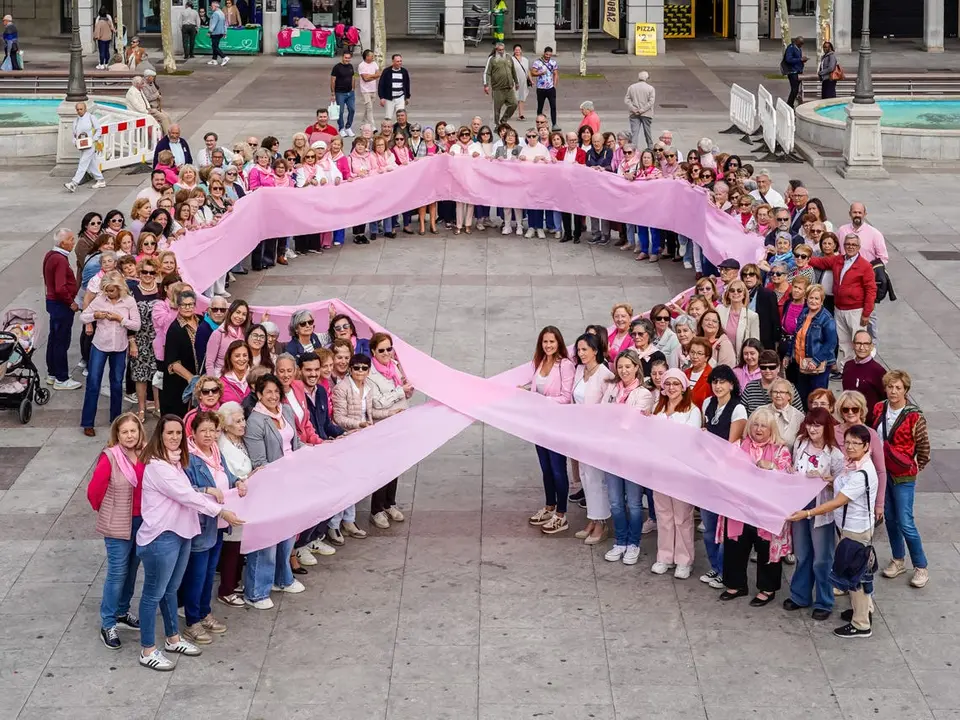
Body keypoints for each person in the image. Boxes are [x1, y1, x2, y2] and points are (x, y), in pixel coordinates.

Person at [136, 415, 242, 671]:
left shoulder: (175, 463)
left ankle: (173, 638)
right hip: (161, 538)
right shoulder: (158, 466)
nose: (174, 438)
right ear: (159, 436)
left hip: (182, 534)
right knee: (153, 594)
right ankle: (148, 649)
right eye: (169, 433)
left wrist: (209, 494)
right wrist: (221, 512)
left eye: (178, 433)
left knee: (171, 590)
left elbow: (191, 491)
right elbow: (185, 496)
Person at [787, 424, 879, 638]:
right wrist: (829, 480)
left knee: (855, 577)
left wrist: (807, 514)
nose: (850, 447)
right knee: (858, 573)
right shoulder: (853, 465)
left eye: (856, 443)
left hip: (855, 531)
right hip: (847, 528)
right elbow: (839, 486)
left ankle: (861, 624)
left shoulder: (862, 474)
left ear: (866, 446)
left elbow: (837, 502)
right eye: (847, 442)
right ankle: (863, 610)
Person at [179, 411, 244, 645]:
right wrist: (206, 491)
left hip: (217, 523)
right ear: (193, 433)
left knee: (208, 573)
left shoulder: (216, 451)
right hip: (200, 524)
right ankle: (192, 621)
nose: (209, 435)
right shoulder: (189, 458)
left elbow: (225, 474)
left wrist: (237, 481)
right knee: (197, 574)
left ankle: (204, 613)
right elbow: (185, 490)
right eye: (203, 430)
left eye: (213, 430)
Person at [243, 373, 306, 608]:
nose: (273, 396)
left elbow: (296, 443)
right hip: (269, 486)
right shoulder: (256, 422)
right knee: (266, 542)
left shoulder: (286, 412)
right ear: (259, 394)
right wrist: (284, 475)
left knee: (288, 535)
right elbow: (259, 462)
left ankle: (283, 578)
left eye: (276, 392)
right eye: (268, 392)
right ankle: (257, 591)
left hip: (292, 483)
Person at [718, 407, 792, 605]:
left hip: (765, 510)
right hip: (739, 508)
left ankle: (767, 588)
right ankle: (736, 584)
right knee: (736, 546)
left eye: (764, 426)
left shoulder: (780, 449)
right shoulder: (738, 445)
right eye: (756, 424)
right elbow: (723, 469)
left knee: (765, 548)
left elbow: (787, 479)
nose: (759, 429)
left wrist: (772, 467)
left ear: (771, 429)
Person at [87, 412, 147, 649]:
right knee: (117, 572)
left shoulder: (145, 453)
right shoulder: (110, 457)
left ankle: (122, 611)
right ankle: (108, 622)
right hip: (118, 524)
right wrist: (109, 510)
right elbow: (94, 492)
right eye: (125, 432)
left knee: (133, 568)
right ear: (117, 435)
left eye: (133, 430)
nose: (130, 435)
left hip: (142, 522)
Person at [782, 407, 844, 620]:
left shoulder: (835, 454)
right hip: (799, 505)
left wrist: (827, 480)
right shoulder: (800, 443)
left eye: (817, 425)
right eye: (809, 424)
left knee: (822, 558)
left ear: (825, 427)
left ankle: (824, 601)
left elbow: (841, 485)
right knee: (802, 553)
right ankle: (800, 595)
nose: (812, 429)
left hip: (821, 509)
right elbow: (792, 466)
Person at [873, 370, 931, 590]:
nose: (893, 391)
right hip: (882, 472)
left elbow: (924, 446)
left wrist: (915, 466)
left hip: (903, 474)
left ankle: (921, 566)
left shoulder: (914, 416)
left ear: (906, 390)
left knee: (905, 521)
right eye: (890, 387)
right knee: (889, 517)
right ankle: (898, 560)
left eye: (898, 388)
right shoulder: (879, 408)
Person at [601, 350, 655, 565]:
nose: (623, 370)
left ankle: (633, 543)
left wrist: (616, 418)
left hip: (632, 455)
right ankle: (620, 541)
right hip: (612, 453)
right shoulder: (612, 388)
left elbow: (630, 423)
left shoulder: (643, 394)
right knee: (615, 501)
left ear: (636, 368)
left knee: (633, 502)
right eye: (620, 366)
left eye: (628, 366)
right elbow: (603, 415)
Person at [651, 368, 701, 578]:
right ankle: (664, 556)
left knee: (682, 516)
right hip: (659, 470)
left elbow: (689, 440)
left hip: (681, 471)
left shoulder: (692, 411)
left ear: (683, 387)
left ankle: (684, 559)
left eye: (676, 384)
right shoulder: (658, 409)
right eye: (668, 384)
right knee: (663, 515)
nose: (671, 388)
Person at [700, 365, 747, 588]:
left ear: (731, 384)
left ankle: (724, 568)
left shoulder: (738, 408)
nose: (718, 386)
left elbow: (731, 444)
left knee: (723, 525)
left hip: (726, 473)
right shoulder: (707, 403)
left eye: (722, 381)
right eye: (714, 381)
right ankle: (715, 566)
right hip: (706, 472)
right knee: (708, 525)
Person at [526, 326, 574, 534]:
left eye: (552, 342)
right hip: (540, 424)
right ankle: (549, 506)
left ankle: (561, 514)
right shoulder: (540, 362)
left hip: (557, 425)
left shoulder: (564, 365)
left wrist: (541, 401)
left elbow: (566, 396)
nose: (548, 345)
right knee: (546, 468)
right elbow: (536, 387)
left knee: (557, 469)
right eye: (545, 342)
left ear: (559, 343)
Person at [80, 273, 141, 436]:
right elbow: (82, 315)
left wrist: (120, 319)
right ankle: (87, 422)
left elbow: (136, 325)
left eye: (112, 290)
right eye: (107, 290)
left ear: (119, 289)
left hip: (119, 346)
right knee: (93, 382)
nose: (109, 293)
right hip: (100, 344)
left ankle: (115, 419)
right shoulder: (100, 300)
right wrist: (95, 315)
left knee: (116, 383)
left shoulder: (129, 301)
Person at [808, 233, 877, 375]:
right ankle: (847, 371)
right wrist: (803, 258)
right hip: (839, 308)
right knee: (844, 342)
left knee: (859, 342)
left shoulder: (865, 266)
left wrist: (866, 313)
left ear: (859, 247)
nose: (850, 247)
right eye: (848, 244)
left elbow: (871, 290)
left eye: (854, 245)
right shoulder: (838, 260)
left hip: (856, 310)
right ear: (844, 246)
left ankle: (863, 369)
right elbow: (821, 262)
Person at [570, 334, 614, 545]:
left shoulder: (604, 374)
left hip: (596, 434)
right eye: (579, 350)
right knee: (585, 476)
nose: (581, 353)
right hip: (578, 431)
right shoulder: (579, 370)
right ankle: (592, 518)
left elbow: (607, 407)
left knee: (597, 479)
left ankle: (602, 522)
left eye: (585, 349)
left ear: (595, 350)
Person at [215, 401, 252, 606]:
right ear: (227, 425)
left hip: (244, 497)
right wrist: (248, 476)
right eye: (238, 421)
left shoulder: (239, 440)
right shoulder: (223, 445)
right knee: (232, 545)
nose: (243, 424)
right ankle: (226, 589)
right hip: (232, 498)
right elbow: (230, 473)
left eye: (243, 419)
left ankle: (235, 582)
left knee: (239, 544)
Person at [43, 229, 82, 390]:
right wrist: (71, 302)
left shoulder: (50, 255)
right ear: (62, 243)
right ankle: (61, 377)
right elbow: (60, 287)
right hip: (61, 305)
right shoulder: (60, 260)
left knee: (54, 339)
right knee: (61, 341)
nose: (73, 242)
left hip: (53, 303)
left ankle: (52, 373)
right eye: (71, 239)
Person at [787, 284, 837, 405]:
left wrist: (815, 360)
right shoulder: (804, 313)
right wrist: (789, 354)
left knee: (817, 398)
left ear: (822, 301)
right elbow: (796, 335)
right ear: (806, 298)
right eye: (811, 298)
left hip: (818, 367)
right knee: (802, 397)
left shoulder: (826, 318)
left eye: (816, 298)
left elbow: (831, 343)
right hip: (802, 363)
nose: (813, 301)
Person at [160, 288, 199, 417]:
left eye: (191, 304)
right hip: (180, 383)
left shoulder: (201, 320)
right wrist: (192, 379)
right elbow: (172, 362)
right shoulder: (175, 329)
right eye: (184, 305)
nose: (188, 308)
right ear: (178, 306)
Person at [842, 331, 886, 424]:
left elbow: (885, 399)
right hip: (849, 419)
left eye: (866, 344)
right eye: (858, 343)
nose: (862, 348)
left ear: (871, 346)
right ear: (853, 345)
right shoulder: (848, 366)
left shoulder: (878, 371)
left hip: (869, 423)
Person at [64, 102, 106, 193]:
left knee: (83, 163)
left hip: (91, 145)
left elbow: (99, 129)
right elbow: (74, 135)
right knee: (91, 164)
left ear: (85, 109)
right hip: (82, 145)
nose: (79, 111)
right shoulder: (76, 121)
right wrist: (75, 141)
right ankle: (101, 180)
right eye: (77, 109)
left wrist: (93, 139)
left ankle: (74, 183)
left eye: (81, 109)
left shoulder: (91, 117)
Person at [716, 279, 760, 359]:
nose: (735, 293)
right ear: (728, 294)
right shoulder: (719, 310)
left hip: (741, 359)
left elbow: (755, 344)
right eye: (732, 290)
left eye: (739, 291)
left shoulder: (752, 316)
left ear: (744, 294)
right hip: (720, 357)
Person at [483, 40, 519, 124]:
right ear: (496, 50)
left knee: (514, 104)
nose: (501, 51)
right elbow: (487, 72)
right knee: (497, 109)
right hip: (498, 89)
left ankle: (504, 120)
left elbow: (513, 70)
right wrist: (486, 85)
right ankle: (497, 124)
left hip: (509, 87)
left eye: (503, 49)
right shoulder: (492, 59)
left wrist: (516, 82)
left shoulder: (509, 57)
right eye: (499, 50)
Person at [624, 70, 655, 149]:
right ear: (646, 78)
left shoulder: (631, 87)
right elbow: (651, 102)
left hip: (634, 113)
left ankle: (633, 150)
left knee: (634, 133)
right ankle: (650, 148)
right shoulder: (650, 88)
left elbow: (627, 100)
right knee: (647, 132)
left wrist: (633, 109)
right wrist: (642, 110)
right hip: (646, 114)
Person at [530, 46, 559, 129]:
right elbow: (532, 73)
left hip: (550, 88)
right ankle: (539, 123)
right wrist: (540, 73)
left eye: (550, 55)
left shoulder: (553, 62)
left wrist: (554, 85)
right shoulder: (537, 62)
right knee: (540, 106)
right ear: (544, 53)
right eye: (546, 54)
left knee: (553, 106)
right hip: (541, 88)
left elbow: (556, 73)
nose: (548, 56)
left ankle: (554, 124)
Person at [377, 53, 411, 121]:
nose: (399, 63)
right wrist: (381, 97)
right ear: (393, 62)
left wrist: (407, 97)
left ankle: (400, 131)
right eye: (397, 61)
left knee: (401, 117)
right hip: (389, 98)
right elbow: (381, 85)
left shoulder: (404, 71)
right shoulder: (386, 71)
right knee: (388, 117)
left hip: (400, 97)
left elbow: (407, 84)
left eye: (400, 61)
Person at [330, 51, 356, 136]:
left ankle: (348, 127)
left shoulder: (351, 66)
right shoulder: (337, 67)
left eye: (349, 58)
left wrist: (353, 88)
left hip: (350, 93)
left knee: (352, 109)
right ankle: (341, 128)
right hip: (340, 93)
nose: (347, 60)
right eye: (346, 58)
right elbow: (333, 80)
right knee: (340, 111)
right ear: (342, 57)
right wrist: (333, 93)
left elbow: (353, 77)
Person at [357, 49, 380, 130]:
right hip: (365, 90)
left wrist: (370, 76)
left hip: (373, 89)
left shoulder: (374, 64)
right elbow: (365, 79)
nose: (373, 57)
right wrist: (373, 76)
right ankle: (372, 126)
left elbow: (378, 74)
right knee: (369, 108)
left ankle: (363, 123)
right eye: (371, 55)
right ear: (367, 57)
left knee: (368, 108)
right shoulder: (361, 65)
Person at [782, 35, 807, 107]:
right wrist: (800, 59)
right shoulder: (791, 48)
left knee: (795, 89)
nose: (801, 45)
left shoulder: (798, 48)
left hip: (798, 71)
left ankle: (790, 103)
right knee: (794, 89)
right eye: (800, 43)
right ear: (796, 42)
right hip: (793, 72)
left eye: (802, 44)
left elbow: (798, 58)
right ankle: (790, 104)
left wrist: (802, 60)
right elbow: (788, 59)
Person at [512, 44, 531, 120]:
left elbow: (528, 70)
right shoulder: (511, 59)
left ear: (521, 51)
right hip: (514, 81)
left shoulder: (525, 60)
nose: (517, 51)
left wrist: (530, 79)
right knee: (513, 98)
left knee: (522, 98)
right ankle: (509, 113)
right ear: (514, 51)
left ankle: (521, 114)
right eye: (516, 50)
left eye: (519, 50)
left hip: (523, 81)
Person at [207, 1, 229, 67]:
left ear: (216, 6)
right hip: (220, 32)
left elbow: (213, 24)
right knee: (215, 46)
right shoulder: (222, 13)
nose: (211, 7)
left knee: (215, 46)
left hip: (215, 33)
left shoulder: (215, 14)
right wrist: (225, 32)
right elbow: (225, 24)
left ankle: (224, 57)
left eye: (212, 6)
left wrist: (209, 32)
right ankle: (214, 60)